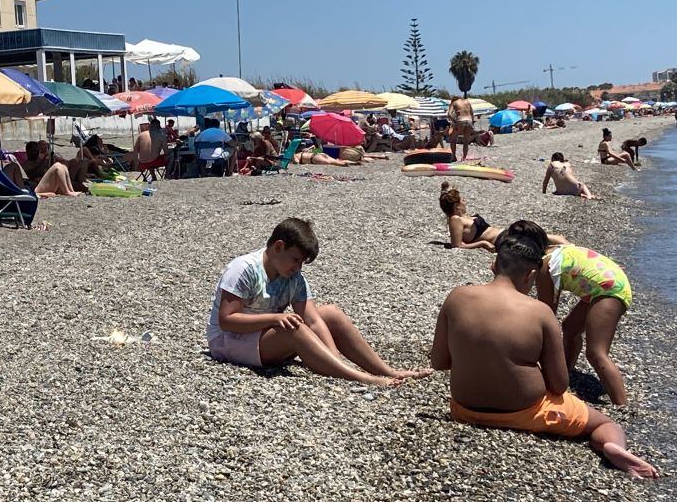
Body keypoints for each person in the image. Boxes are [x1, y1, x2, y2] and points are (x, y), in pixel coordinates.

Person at [430, 220, 658, 479]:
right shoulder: (541, 312)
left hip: (464, 409)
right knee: (606, 423)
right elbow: (559, 385)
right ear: (530, 276)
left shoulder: (457, 296)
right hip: (526, 412)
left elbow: (439, 361)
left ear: (493, 265)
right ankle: (612, 446)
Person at [209, 217, 431, 386]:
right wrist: (276, 318)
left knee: (331, 313)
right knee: (294, 327)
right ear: (278, 247)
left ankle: (386, 370)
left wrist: (333, 356)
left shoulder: (293, 276)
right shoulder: (244, 269)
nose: (298, 267)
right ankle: (360, 377)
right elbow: (227, 321)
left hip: (261, 333)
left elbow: (313, 320)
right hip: (228, 341)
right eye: (296, 259)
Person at [536, 241, 634, 406]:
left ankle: (622, 405)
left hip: (610, 290)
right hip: (607, 283)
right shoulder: (555, 251)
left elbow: (547, 314)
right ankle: (566, 374)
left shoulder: (545, 266)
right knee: (570, 328)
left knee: (596, 352)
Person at [439, 182, 566, 251]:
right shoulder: (455, 220)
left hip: (505, 234)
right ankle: (576, 253)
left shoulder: (464, 217)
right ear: (456, 205)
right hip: (501, 240)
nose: (465, 201)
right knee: (544, 244)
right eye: (462, 200)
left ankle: (575, 251)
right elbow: (457, 245)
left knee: (545, 238)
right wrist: (483, 243)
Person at [2, 142, 81, 197]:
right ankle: (67, 192)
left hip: (37, 186)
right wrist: (46, 194)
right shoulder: (26, 164)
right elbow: (31, 194)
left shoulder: (18, 181)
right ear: (28, 151)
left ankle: (71, 190)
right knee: (57, 167)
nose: (35, 153)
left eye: (37, 151)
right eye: (33, 151)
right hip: (37, 190)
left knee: (62, 166)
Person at [447, 94, 475, 161]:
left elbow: (449, 114)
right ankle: (464, 157)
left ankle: (453, 156)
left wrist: (454, 121)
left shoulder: (455, 103)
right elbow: (472, 113)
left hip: (460, 121)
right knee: (466, 141)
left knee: (452, 138)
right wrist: (472, 123)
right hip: (469, 121)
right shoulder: (467, 102)